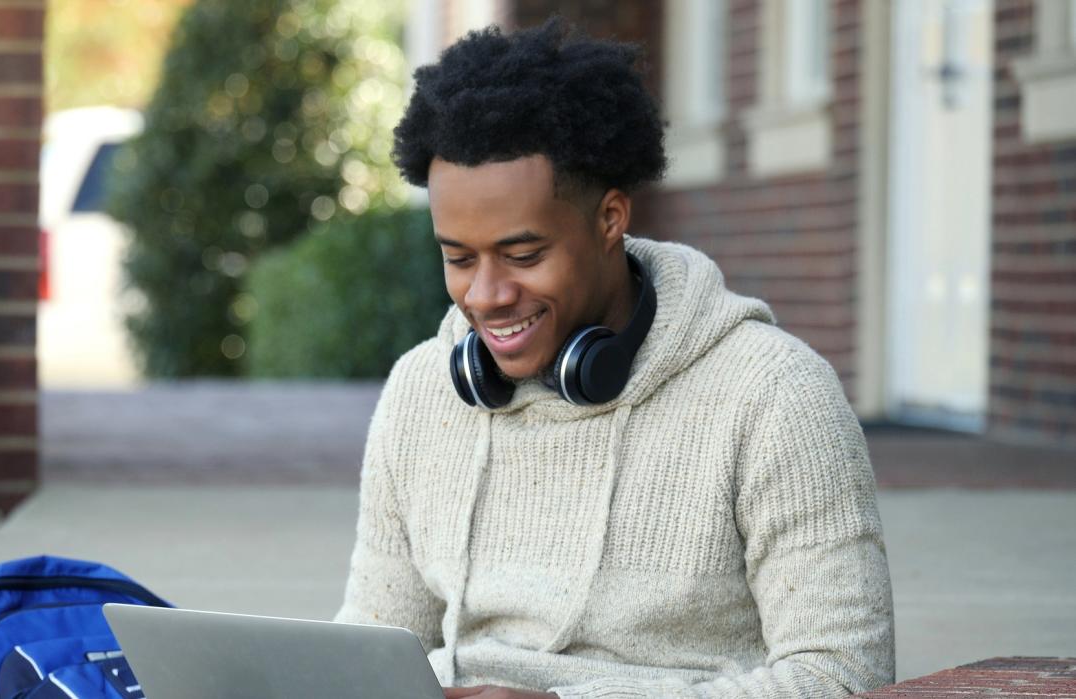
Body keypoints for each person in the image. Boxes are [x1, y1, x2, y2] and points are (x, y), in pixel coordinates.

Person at [333, 18, 894, 699]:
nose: (486, 296)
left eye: (523, 255)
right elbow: (369, 647)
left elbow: (844, 676)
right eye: (458, 258)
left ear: (610, 220)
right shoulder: (423, 388)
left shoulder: (775, 394)